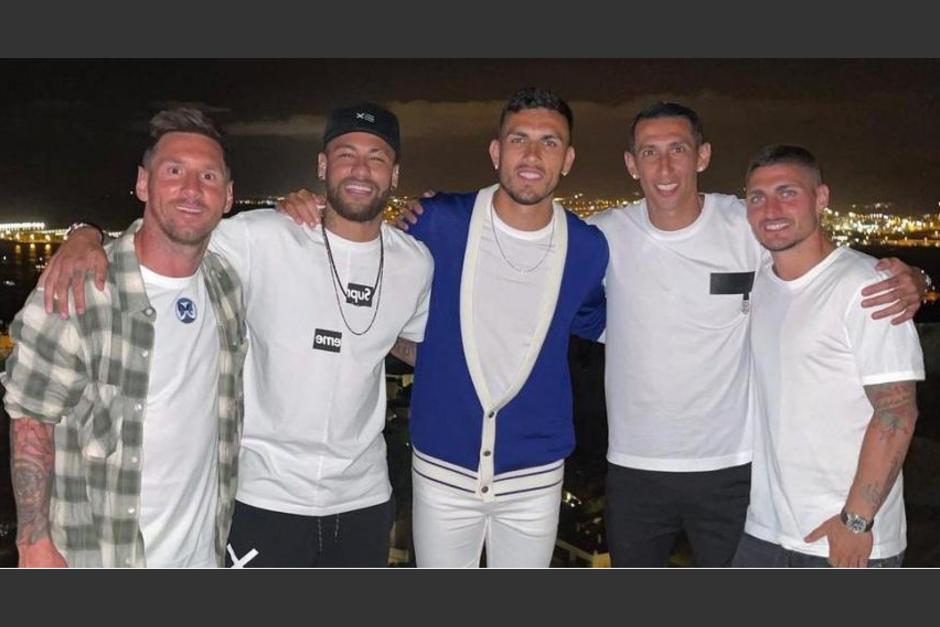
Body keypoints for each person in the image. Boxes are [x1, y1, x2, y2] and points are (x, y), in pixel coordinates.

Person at [34, 103, 435, 567]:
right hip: (263, 497)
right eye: (346, 154)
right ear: (323, 166)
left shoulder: (414, 262)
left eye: (377, 157)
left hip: (363, 498)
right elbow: (170, 237)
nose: (360, 169)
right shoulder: (260, 237)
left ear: (395, 174)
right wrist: (86, 234)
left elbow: (412, 343)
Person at [585, 102, 925, 567]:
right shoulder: (603, 235)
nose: (664, 167)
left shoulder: (746, 225)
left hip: (734, 470)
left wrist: (916, 279)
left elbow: (820, 263)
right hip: (638, 471)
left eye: (678, 149)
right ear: (631, 164)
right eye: (649, 152)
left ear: (702, 156)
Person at [281, 87, 608, 567]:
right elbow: (366, 263)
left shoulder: (587, 247)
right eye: (519, 139)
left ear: (569, 158)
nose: (533, 155)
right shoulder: (437, 223)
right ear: (496, 151)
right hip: (440, 468)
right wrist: (304, 212)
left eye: (550, 142)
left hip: (536, 475)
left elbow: (605, 323)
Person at [2, 107, 247, 567]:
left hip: (202, 556)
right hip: (102, 557)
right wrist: (32, 543)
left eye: (209, 176)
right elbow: (32, 416)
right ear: (142, 183)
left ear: (229, 196)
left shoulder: (226, 286)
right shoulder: (80, 290)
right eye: (174, 171)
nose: (192, 189)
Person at [732, 145, 924, 567]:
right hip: (767, 529)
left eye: (788, 193)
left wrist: (857, 521)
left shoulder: (866, 288)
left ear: (821, 198)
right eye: (758, 198)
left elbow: (896, 412)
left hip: (844, 537)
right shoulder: (763, 283)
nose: (771, 209)